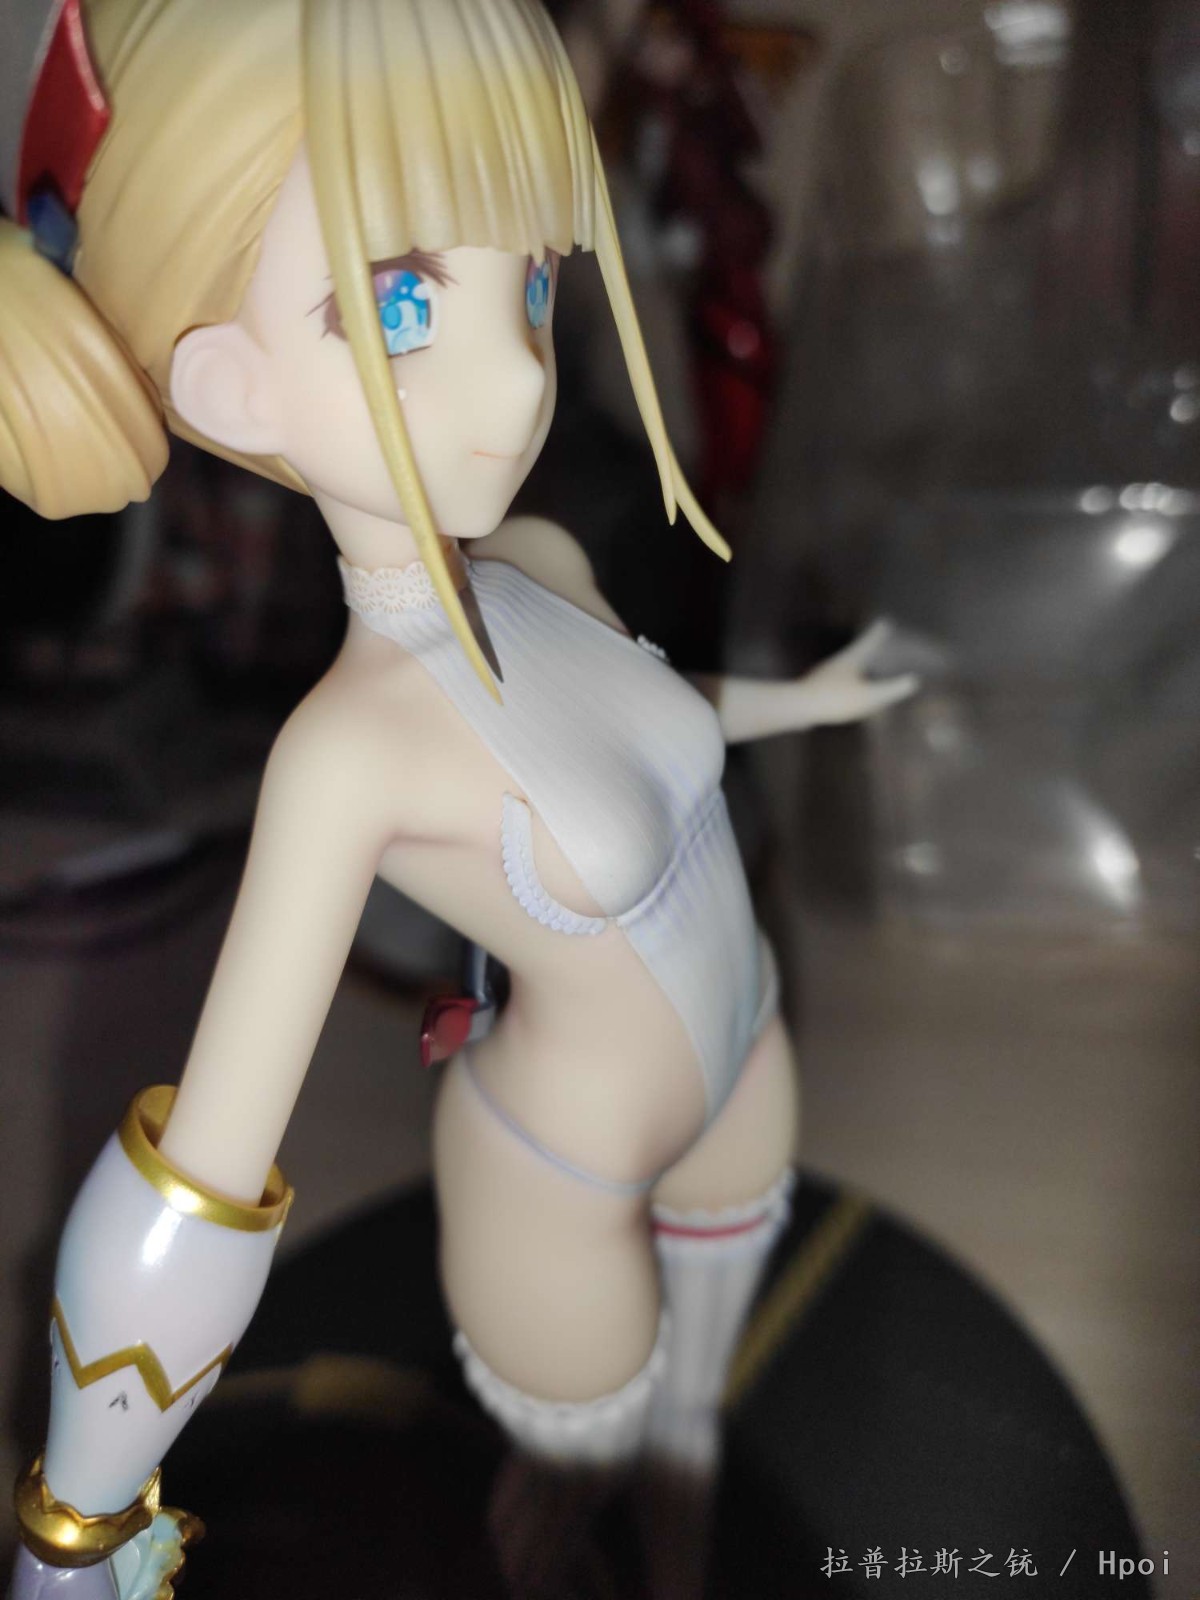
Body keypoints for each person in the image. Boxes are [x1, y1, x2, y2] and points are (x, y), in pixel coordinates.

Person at [0, 1, 914, 1594]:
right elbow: (203, 1173)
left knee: (692, 1463)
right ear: (233, 386)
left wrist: (800, 703)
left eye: (534, 283)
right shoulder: (349, 753)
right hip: (563, 1173)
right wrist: (78, 1526)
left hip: (743, 1060)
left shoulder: (539, 560)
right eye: (403, 302)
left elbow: (646, 720)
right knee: (561, 1509)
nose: (514, 376)